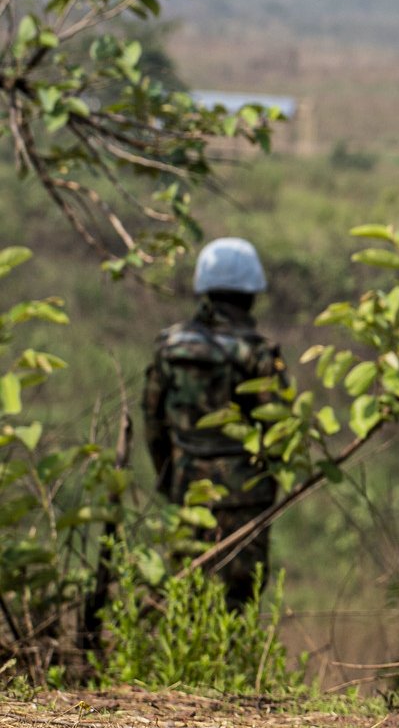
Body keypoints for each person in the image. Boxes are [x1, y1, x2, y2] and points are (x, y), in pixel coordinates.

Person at [143, 236, 283, 606]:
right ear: (252, 294)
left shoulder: (169, 346)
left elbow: (154, 425)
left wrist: (171, 479)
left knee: (185, 596)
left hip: (187, 492)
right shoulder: (258, 355)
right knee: (236, 603)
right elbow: (281, 432)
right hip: (245, 501)